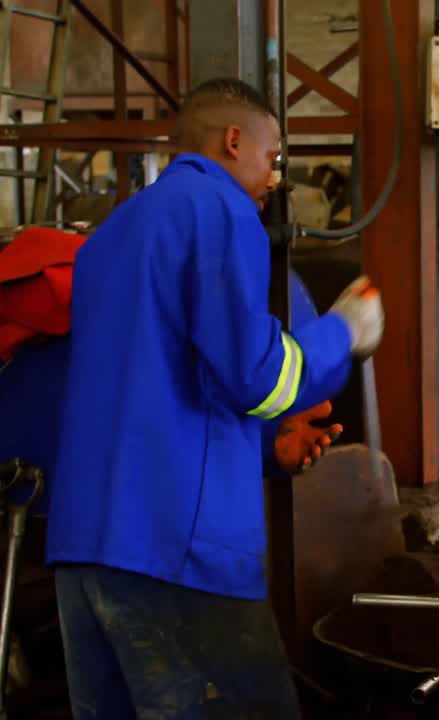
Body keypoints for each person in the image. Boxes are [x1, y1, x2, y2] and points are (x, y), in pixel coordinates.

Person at [44, 78, 385, 718]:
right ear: (234, 141)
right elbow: (255, 374)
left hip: (83, 548)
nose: (273, 180)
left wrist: (266, 443)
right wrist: (343, 335)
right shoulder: (220, 209)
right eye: (271, 158)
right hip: (177, 550)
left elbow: (155, 377)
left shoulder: (112, 235)